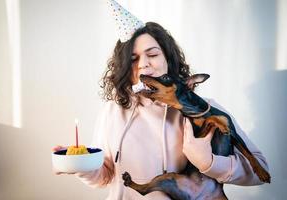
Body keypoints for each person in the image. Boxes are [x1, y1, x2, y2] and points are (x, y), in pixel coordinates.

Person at [53, 1, 269, 199]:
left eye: (153, 54)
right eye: (133, 59)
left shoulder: (204, 110)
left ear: (168, 59)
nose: (143, 65)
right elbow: (105, 176)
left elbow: (261, 170)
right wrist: (81, 165)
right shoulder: (112, 112)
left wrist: (209, 163)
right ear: (125, 68)